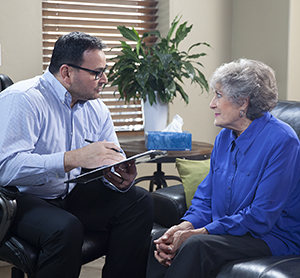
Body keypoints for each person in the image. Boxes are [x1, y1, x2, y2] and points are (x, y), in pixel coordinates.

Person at [0, 31, 153, 278]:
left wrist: (118, 174)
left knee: (139, 201)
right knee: (66, 228)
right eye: (96, 73)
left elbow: (111, 155)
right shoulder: (23, 99)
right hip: (19, 199)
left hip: (69, 191)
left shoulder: (97, 108)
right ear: (66, 72)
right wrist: (72, 158)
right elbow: (5, 169)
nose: (104, 80)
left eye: (104, 71)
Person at [147, 58, 300, 278]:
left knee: (196, 245)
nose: (212, 104)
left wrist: (200, 232)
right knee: (160, 239)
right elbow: (205, 199)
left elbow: (260, 216)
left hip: (272, 237)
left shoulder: (283, 141)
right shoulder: (223, 138)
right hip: (230, 232)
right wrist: (185, 226)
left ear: (243, 102)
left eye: (218, 95)